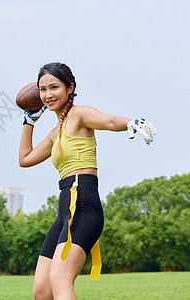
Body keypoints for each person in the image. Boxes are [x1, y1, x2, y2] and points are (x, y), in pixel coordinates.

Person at [18, 62, 156, 300]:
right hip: (64, 210)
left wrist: (131, 123)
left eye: (54, 87)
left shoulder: (79, 115)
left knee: (60, 278)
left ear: (69, 88)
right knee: (41, 290)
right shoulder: (55, 132)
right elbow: (25, 159)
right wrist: (29, 121)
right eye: (42, 90)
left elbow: (109, 121)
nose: (48, 95)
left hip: (83, 204)